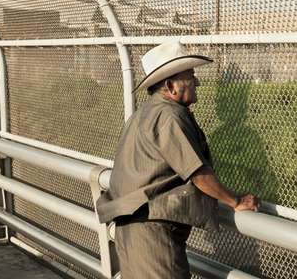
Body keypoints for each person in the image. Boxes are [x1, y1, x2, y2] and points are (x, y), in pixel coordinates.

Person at [96, 41, 259, 279]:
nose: (197, 82)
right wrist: (235, 201)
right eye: (191, 76)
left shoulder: (145, 113)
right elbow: (197, 173)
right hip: (153, 234)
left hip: (133, 228)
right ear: (171, 86)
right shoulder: (169, 116)